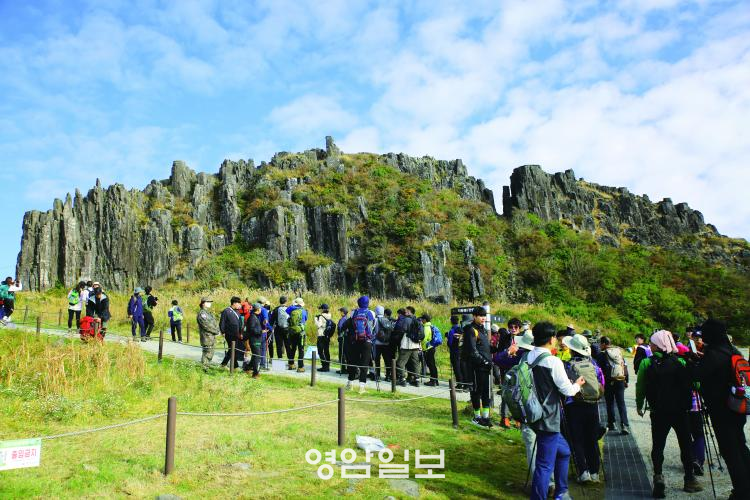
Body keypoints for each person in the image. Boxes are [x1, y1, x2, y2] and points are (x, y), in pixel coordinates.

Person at [636, 330, 703, 496]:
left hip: (658, 412)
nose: (650, 345)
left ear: (658, 345)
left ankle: (658, 476)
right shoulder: (681, 361)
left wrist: (639, 405)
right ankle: (689, 479)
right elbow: (696, 384)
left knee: (658, 445)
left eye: (652, 343)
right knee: (685, 444)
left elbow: (640, 387)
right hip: (680, 411)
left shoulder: (646, 363)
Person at [528, 322, 585, 500]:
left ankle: (561, 491)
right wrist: (578, 384)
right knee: (544, 465)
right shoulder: (552, 361)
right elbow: (567, 390)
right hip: (548, 417)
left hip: (532, 413)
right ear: (551, 339)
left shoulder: (528, 356)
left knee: (564, 451)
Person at [694, 319, 750, 499]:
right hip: (738, 407)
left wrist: (691, 363)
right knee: (740, 446)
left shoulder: (713, 353)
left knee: (730, 451)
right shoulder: (732, 350)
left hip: (722, 410)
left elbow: (697, 375)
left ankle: (742, 491)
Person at [561, 334, 606, 483]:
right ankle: (595, 473)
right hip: (592, 405)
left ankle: (583, 472)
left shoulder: (567, 365)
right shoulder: (594, 365)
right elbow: (601, 384)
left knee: (577, 439)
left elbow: (564, 388)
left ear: (572, 349)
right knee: (592, 439)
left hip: (574, 406)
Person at [462, 306, 493, 428]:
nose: (483, 318)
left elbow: (485, 348)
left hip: (485, 367)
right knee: (476, 392)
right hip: (476, 367)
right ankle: (477, 417)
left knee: (486, 392)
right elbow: (472, 350)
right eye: (480, 316)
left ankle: (485, 417)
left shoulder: (483, 330)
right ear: (474, 316)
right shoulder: (471, 330)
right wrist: (484, 361)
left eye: (484, 316)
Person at [596, 336, 631, 434]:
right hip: (620, 380)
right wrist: (626, 380)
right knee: (621, 402)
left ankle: (612, 423)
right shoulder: (618, 352)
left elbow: (599, 370)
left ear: (603, 344)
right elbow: (624, 366)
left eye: (600, 343)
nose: (599, 345)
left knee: (610, 402)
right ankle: (625, 425)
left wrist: (600, 383)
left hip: (608, 381)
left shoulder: (601, 354)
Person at [346, 296, 376, 393]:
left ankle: (350, 384)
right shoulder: (371, 313)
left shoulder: (353, 312)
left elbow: (349, 324)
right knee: (365, 363)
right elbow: (373, 326)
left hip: (355, 340)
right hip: (367, 341)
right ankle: (361, 387)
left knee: (353, 362)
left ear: (358, 303)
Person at [396, 306, 421, 387]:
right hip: (416, 345)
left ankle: (402, 379)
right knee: (415, 363)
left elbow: (402, 330)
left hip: (407, 344)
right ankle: (417, 380)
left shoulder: (406, 320)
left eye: (406, 311)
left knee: (400, 362)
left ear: (410, 312)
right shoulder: (417, 320)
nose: (405, 312)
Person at [220, 297, 244, 369]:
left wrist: (241, 333)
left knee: (234, 349)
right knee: (232, 349)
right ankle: (224, 364)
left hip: (237, 334)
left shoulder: (238, 312)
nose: (239, 305)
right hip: (229, 333)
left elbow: (240, 323)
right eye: (238, 303)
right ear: (234, 303)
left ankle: (234, 366)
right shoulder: (226, 311)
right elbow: (222, 322)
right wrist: (222, 331)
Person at [197, 297, 220, 370]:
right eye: (208, 302)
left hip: (211, 336)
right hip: (206, 337)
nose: (210, 303)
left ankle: (207, 366)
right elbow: (206, 325)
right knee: (207, 352)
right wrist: (216, 331)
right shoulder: (202, 314)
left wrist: (217, 329)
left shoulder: (208, 313)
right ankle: (204, 368)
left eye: (210, 302)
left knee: (210, 353)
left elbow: (214, 323)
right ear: (203, 303)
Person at [285, 297, 308, 372]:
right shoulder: (304, 311)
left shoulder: (291, 310)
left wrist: (293, 305)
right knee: (301, 349)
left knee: (293, 348)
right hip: (301, 332)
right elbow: (306, 319)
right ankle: (300, 367)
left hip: (292, 332)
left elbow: (286, 310)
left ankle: (291, 364)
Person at [373, 306, 395, 381]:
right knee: (387, 360)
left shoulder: (375, 320)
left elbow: (373, 331)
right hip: (386, 343)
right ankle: (388, 376)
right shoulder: (388, 320)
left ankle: (378, 375)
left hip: (377, 343)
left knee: (377, 360)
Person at [243, 303, 264, 378]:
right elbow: (251, 329)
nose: (261, 310)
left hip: (257, 339)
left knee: (256, 356)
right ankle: (255, 373)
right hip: (254, 340)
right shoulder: (252, 317)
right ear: (258, 309)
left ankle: (247, 368)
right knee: (256, 356)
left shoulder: (254, 317)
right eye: (260, 308)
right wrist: (261, 331)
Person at [420, 313, 440, 386]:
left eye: (422, 319)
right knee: (432, 365)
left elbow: (424, 339)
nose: (421, 320)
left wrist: (421, 346)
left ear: (425, 320)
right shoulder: (431, 326)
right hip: (432, 347)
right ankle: (435, 380)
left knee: (431, 365)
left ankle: (433, 381)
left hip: (428, 349)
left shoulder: (426, 327)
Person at [446, 315, 464, 389]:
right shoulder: (461, 329)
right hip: (461, 351)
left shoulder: (452, 330)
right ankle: (462, 383)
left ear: (451, 321)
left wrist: (448, 338)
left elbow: (450, 343)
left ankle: (459, 384)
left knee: (456, 368)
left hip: (454, 351)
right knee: (461, 367)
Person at [315, 303, 334, 372]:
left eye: (320, 309)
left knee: (320, 351)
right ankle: (327, 366)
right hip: (327, 336)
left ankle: (324, 366)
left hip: (321, 335)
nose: (320, 310)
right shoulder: (329, 316)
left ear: (322, 309)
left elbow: (318, 325)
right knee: (326, 351)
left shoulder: (321, 316)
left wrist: (315, 319)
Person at [256, 296, 272, 369]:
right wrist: (271, 328)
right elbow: (266, 321)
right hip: (263, 331)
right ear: (264, 303)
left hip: (254, 331)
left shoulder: (253, 309)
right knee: (263, 348)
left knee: (256, 347)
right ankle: (262, 364)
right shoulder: (264, 310)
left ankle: (255, 363)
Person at [336, 307, 349, 374]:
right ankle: (347, 368)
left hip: (342, 338)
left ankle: (343, 369)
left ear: (343, 312)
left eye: (340, 311)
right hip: (346, 338)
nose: (340, 313)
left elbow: (340, 328)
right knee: (346, 354)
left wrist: (339, 335)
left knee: (341, 354)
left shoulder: (342, 320)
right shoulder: (348, 319)